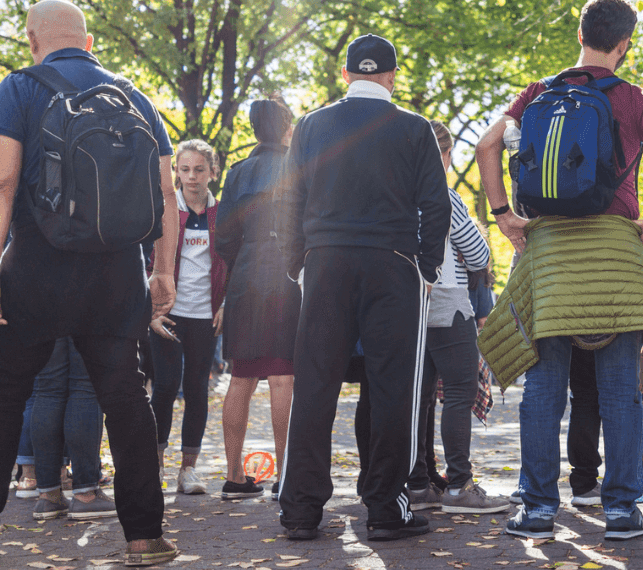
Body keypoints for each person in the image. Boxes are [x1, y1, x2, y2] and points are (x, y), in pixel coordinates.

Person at [476, 0, 643, 541]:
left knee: (544, 390)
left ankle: (537, 509)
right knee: (620, 392)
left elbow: (485, 147)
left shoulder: (538, 93)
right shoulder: (634, 100)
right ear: (624, 44)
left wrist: (504, 216)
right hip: (615, 257)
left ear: (580, 34)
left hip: (550, 256)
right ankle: (621, 510)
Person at [0, 0, 178, 565]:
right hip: (117, 272)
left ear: (32, 41)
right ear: (89, 42)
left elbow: (4, 180)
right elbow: (166, 192)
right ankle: (145, 538)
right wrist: (164, 269)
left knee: (7, 393)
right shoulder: (134, 97)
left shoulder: (18, 88)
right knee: (125, 398)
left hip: (36, 266)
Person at [276, 33, 451, 541]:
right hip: (392, 265)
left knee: (314, 386)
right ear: (392, 76)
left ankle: (301, 509)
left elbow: (288, 201)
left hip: (326, 260)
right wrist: (427, 270)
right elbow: (436, 205)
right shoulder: (415, 128)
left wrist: (298, 264)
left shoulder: (311, 125)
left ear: (347, 74)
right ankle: (385, 508)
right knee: (395, 390)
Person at [404, 120, 508, 514]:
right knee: (461, 391)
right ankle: (459, 486)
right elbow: (479, 255)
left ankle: (418, 485)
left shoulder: (397, 195)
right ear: (445, 156)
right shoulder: (446, 197)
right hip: (448, 301)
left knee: (420, 398)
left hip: (409, 304)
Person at [215, 98, 302, 501]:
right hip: (287, 278)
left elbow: (223, 236)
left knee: (242, 376)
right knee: (283, 377)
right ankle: (286, 476)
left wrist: (242, 263)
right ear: (286, 129)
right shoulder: (299, 166)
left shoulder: (237, 173)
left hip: (246, 278)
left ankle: (234, 477)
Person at [148, 139, 227, 496]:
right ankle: (155, 464)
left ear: (213, 172)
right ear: (176, 172)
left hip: (205, 316)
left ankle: (188, 470)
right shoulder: (164, 211)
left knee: (197, 390)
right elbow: (146, 264)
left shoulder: (222, 215)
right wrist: (151, 311)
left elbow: (232, 263)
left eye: (199, 169)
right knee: (164, 387)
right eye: (184, 169)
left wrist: (225, 305)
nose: (191, 176)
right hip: (168, 314)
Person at [29, 338, 116, 520]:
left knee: (47, 390)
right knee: (85, 386)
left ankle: (48, 496)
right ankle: (86, 495)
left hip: (42, 320)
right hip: (86, 320)